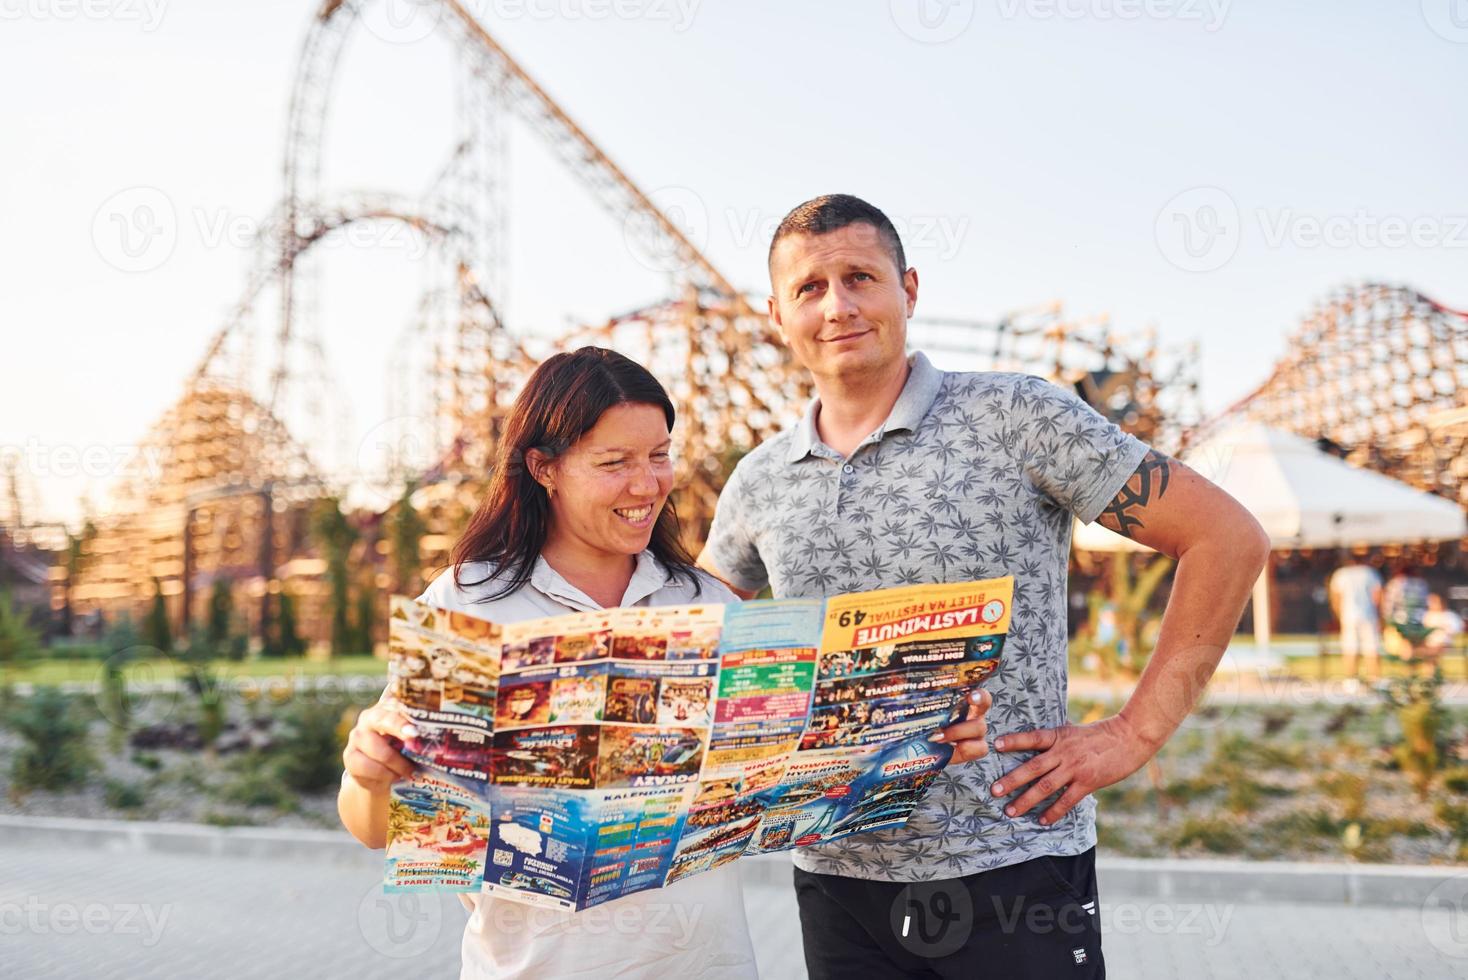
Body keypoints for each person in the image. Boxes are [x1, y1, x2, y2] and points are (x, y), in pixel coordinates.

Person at [699, 195, 1270, 978]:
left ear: (910, 288)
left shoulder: (1015, 416)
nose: (838, 305)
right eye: (810, 288)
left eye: (861, 277)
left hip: (1014, 863)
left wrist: (1134, 734)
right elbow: (701, 655)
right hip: (837, 882)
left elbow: (1226, 538)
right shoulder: (758, 481)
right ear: (776, 313)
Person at [338, 346, 993, 978]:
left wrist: (921, 734)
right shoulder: (467, 603)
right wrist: (366, 777)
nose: (646, 484)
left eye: (659, 455)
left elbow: (794, 776)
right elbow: (378, 827)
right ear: (544, 468)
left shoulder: (704, 601)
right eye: (614, 461)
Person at [1327, 560, 1383, 685]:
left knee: (1350, 648)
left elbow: (1336, 597)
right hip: (1369, 616)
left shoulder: (1341, 574)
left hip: (1349, 616)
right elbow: (1377, 596)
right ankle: (1375, 679)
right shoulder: (1370, 573)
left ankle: (1351, 681)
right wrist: (1379, 615)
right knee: (1371, 648)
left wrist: (1339, 614)